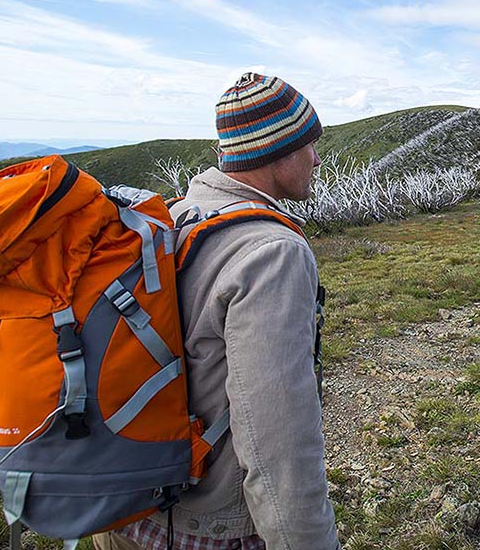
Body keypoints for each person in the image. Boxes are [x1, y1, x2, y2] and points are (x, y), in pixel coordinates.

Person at [94, 73, 340, 550]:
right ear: (277, 150)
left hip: (130, 509)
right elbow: (277, 440)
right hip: (202, 529)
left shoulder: (173, 217)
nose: (316, 157)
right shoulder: (272, 252)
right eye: (309, 144)